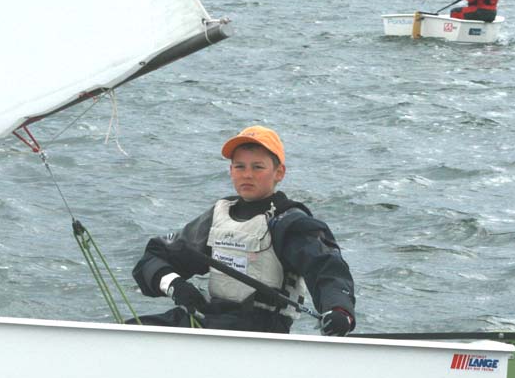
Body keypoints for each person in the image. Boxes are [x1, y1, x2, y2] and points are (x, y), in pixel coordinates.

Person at [130, 125, 356, 336]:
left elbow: (328, 269)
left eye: (258, 167)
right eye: (240, 166)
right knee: (131, 331)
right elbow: (155, 256)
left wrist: (340, 311)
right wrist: (175, 286)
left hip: (261, 332)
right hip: (211, 318)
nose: (247, 174)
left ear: (279, 173)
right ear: (231, 171)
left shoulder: (292, 223)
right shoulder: (218, 215)